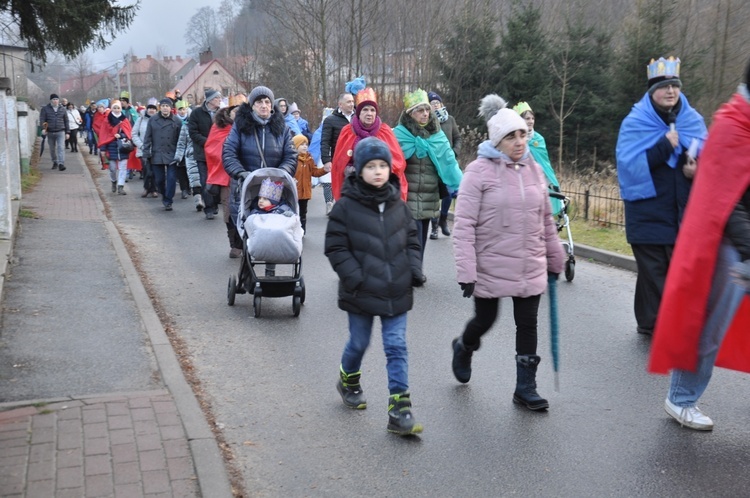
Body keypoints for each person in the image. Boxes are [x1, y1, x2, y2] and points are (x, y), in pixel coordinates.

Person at [648, 60, 750, 431]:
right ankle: (682, 398)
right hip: (731, 248)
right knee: (709, 327)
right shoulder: (733, 124)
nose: (671, 92)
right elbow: (728, 199)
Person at [450, 95, 565, 411]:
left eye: (522, 135)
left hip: (529, 262)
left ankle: (525, 387)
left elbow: (545, 219)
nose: (519, 141)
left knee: (527, 322)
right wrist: (466, 271)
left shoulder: (533, 170)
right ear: (497, 140)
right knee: (486, 318)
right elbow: (464, 225)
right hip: (491, 263)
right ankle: (464, 346)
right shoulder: (478, 171)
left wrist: (556, 257)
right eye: (510, 136)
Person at [325, 137, 425, 436]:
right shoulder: (345, 207)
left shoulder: (399, 205)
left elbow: (411, 240)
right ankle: (348, 379)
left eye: (383, 165)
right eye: (371, 166)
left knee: (396, 346)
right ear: (359, 170)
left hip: (396, 288)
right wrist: (355, 277)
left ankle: (400, 408)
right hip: (361, 289)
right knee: (359, 343)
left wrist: (415, 269)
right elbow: (336, 248)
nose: (378, 171)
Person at [616, 56, 707, 336]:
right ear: (651, 91)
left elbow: (712, 160)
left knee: (663, 271)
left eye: (675, 86)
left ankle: (648, 320)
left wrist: (697, 170)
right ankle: (659, 326)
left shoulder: (693, 120)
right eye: (664, 86)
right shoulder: (635, 122)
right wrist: (663, 147)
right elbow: (628, 166)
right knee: (655, 271)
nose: (670, 91)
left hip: (682, 212)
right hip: (647, 212)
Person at [223, 86, 297, 275]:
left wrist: (281, 173)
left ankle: (270, 271)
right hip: (247, 184)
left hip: (273, 185)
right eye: (259, 102)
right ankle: (248, 271)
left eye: (267, 102)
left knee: (271, 227)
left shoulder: (282, 129)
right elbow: (229, 153)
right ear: (252, 105)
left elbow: (290, 155)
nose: (264, 106)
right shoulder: (240, 127)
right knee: (250, 228)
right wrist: (240, 173)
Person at [394, 88, 463, 271]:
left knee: (422, 231)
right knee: (412, 231)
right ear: (410, 114)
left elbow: (448, 161)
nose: (425, 114)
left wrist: (461, 185)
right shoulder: (399, 135)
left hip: (430, 192)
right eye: (420, 110)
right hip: (408, 194)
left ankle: (417, 266)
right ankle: (413, 270)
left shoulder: (437, 135)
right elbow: (391, 162)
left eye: (427, 110)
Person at [331, 84, 408, 202]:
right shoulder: (347, 132)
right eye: (365, 110)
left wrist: (381, 171)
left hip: (382, 189)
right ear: (358, 112)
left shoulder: (385, 131)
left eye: (372, 110)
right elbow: (339, 163)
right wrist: (351, 169)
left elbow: (398, 162)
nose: (369, 113)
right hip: (355, 189)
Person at [205, 96, 245, 258]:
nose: (238, 113)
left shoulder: (248, 127)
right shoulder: (219, 127)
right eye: (235, 110)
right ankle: (235, 244)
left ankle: (246, 242)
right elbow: (212, 148)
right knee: (230, 210)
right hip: (227, 177)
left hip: (247, 175)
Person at [512, 101, 563, 217]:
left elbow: (544, 165)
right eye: (527, 118)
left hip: (536, 183)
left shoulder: (539, 139)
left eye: (532, 118)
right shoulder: (513, 140)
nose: (530, 121)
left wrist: (551, 183)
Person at [427, 91, 462, 239]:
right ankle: (434, 226)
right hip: (434, 163)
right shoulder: (427, 122)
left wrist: (455, 152)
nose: (435, 105)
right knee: (435, 194)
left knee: (448, 193)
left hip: (448, 163)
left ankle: (443, 219)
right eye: (432, 103)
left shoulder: (450, 120)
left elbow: (458, 138)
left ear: (441, 104)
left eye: (437, 103)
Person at [143, 98, 183, 211]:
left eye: (167, 106)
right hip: (157, 153)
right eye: (163, 106)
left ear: (171, 108)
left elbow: (181, 140)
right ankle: (164, 194)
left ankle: (168, 200)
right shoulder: (153, 120)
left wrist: (181, 154)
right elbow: (147, 137)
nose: (165, 108)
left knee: (171, 179)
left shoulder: (177, 121)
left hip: (172, 153)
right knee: (159, 179)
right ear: (160, 107)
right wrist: (146, 152)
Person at [189, 88, 223, 217]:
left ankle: (214, 203)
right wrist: (208, 142)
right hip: (202, 153)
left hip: (218, 154)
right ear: (209, 100)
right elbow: (193, 132)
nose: (219, 100)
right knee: (205, 180)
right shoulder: (196, 113)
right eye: (217, 98)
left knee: (217, 180)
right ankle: (208, 208)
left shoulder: (221, 113)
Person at [320, 91, 356, 214]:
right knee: (342, 188)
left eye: (352, 101)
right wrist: (326, 160)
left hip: (357, 160)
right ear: (340, 104)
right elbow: (325, 141)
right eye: (348, 102)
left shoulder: (358, 117)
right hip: (340, 161)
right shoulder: (331, 120)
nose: (352, 104)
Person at [292, 134, 329, 232]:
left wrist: (324, 170)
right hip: (294, 192)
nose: (305, 146)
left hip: (305, 193)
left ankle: (302, 231)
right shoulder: (292, 160)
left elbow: (314, 172)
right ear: (295, 146)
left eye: (306, 144)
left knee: (303, 213)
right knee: (293, 213)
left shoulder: (309, 159)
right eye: (302, 144)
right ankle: (293, 231)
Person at [97, 100, 133, 195]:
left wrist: (121, 136)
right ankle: (114, 181)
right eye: (115, 108)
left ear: (121, 109)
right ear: (112, 109)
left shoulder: (124, 120)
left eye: (118, 108)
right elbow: (104, 135)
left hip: (122, 147)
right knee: (112, 168)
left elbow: (128, 133)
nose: (116, 110)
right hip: (111, 147)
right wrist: (103, 149)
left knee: (123, 168)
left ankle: (121, 186)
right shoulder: (107, 120)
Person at [132, 98, 159, 198]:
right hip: (143, 149)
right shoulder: (141, 119)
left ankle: (153, 189)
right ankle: (147, 188)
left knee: (155, 170)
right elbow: (134, 134)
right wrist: (141, 145)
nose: (151, 110)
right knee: (147, 170)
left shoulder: (159, 119)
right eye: (150, 108)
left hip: (156, 149)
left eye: (153, 108)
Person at [39, 94, 70, 171]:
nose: (55, 101)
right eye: (54, 99)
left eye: (56, 99)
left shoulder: (62, 109)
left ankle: (61, 163)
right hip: (50, 131)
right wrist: (43, 128)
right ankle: (55, 161)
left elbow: (66, 121)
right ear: (51, 100)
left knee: (61, 147)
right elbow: (42, 119)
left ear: (58, 100)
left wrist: (67, 132)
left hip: (60, 131)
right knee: (52, 148)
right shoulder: (45, 109)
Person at [174, 100, 194, 202]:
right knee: (181, 169)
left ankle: (189, 186)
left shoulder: (191, 120)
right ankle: (184, 189)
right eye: (180, 110)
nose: (182, 112)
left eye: (184, 109)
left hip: (189, 148)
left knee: (189, 169)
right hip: (179, 147)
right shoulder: (175, 120)